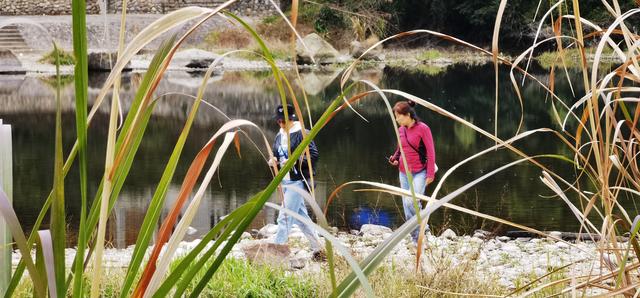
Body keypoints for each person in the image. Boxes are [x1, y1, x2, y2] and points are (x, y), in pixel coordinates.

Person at [269, 104, 325, 261]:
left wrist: (294, 162)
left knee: (284, 216)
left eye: (283, 121)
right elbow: (276, 154)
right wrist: (273, 160)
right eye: (278, 121)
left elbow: (313, 156)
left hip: (298, 181)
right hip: (285, 181)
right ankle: (318, 249)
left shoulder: (302, 133)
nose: (280, 124)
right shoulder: (279, 135)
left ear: (291, 119)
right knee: (301, 218)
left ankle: (276, 254)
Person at [388, 100, 436, 243]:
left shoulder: (423, 128)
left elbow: (431, 152)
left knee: (411, 202)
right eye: (395, 116)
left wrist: (430, 173)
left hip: (420, 171)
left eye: (398, 116)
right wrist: (395, 158)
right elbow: (400, 148)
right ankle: (417, 238)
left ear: (408, 114)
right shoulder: (401, 129)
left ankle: (422, 226)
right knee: (406, 206)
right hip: (403, 172)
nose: (396, 120)